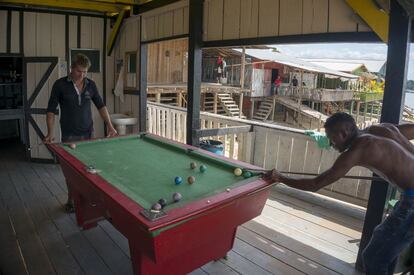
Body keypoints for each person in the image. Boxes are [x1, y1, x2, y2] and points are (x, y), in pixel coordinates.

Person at [265, 112, 414, 275]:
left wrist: (280, 178)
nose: (330, 143)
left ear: (344, 133)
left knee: (373, 258)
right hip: (409, 195)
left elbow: (315, 184)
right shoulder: (383, 128)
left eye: (332, 138)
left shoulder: (356, 151)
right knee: (382, 251)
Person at [44, 53, 117, 212]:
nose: (82, 75)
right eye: (78, 71)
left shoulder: (91, 85)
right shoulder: (60, 85)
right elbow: (51, 111)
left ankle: (87, 198)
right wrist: (50, 133)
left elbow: (101, 106)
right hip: (69, 135)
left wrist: (110, 126)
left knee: (89, 169)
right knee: (71, 172)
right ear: (71, 68)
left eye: (85, 72)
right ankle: (71, 199)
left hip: (88, 133)